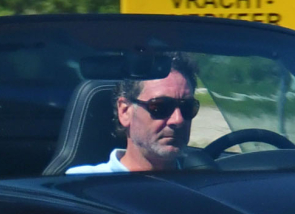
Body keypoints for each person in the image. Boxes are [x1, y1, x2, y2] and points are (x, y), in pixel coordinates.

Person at [64, 57, 199, 174]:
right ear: (125, 111)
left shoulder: (202, 185)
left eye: (187, 107)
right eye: (160, 106)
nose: (178, 119)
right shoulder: (82, 185)